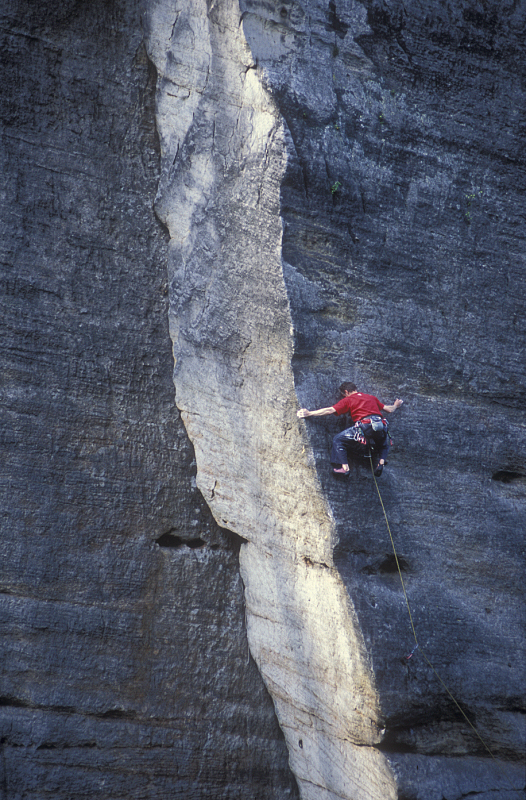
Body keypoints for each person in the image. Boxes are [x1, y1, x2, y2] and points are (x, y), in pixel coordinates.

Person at [297, 382, 403, 477]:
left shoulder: (348, 400)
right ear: (355, 389)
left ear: (346, 392)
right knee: (383, 444)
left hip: (365, 426)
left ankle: (345, 468)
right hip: (381, 425)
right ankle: (381, 462)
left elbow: (330, 410)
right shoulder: (371, 397)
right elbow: (389, 409)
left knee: (338, 439)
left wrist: (309, 413)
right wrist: (396, 405)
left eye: (343, 394)